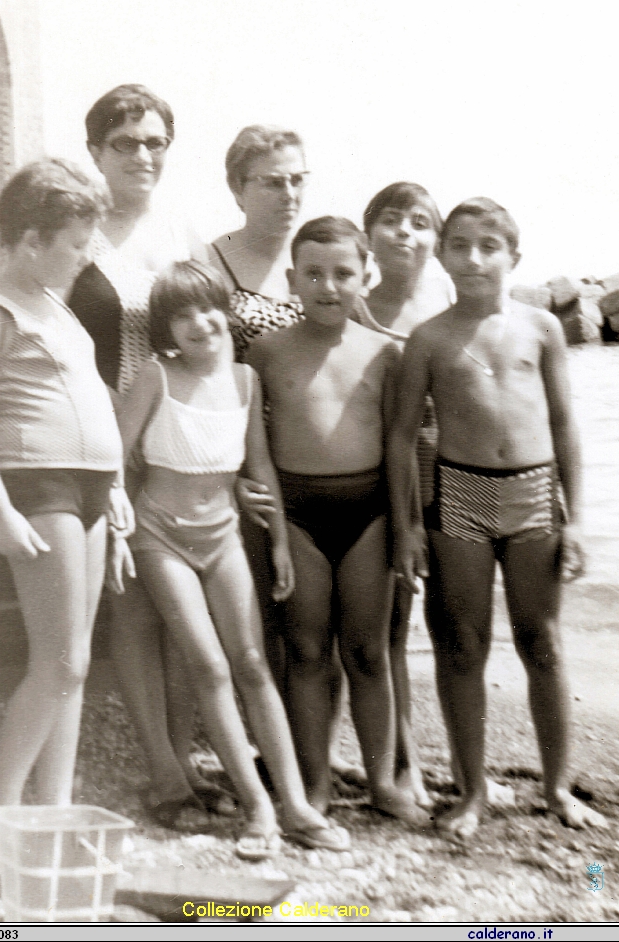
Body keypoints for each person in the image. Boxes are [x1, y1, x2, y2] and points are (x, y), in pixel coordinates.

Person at [111, 260, 350, 859]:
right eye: (181, 315)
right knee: (210, 667)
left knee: (250, 662)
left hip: (223, 534)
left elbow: (259, 465)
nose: (199, 323)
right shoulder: (155, 375)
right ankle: (259, 808)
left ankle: (294, 805)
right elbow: (116, 456)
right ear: (166, 329)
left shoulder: (245, 380)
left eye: (207, 308)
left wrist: (275, 542)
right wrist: (117, 521)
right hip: (160, 536)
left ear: (227, 311)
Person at [388, 197, 608, 838]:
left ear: (515, 255)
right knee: (463, 647)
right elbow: (402, 436)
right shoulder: (428, 339)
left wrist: (577, 517)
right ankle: (471, 793)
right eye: (460, 245)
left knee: (542, 641)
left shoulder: (542, 329)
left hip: (536, 493)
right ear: (442, 254)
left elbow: (565, 425)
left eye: (489, 245)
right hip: (460, 496)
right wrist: (407, 524)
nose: (474, 257)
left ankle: (558, 788)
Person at [0, 160, 126, 882]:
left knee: (74, 664)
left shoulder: (60, 308)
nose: (85, 256)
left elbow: (87, 398)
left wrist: (113, 487)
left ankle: (53, 814)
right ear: (28, 240)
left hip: (87, 489)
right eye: (75, 243)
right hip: (38, 486)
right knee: (58, 659)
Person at [68, 84, 230, 829]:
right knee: (133, 608)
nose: (143, 155)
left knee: (180, 608)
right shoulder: (76, 231)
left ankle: (189, 757)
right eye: (126, 142)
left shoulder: (182, 234)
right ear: (96, 149)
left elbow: (217, 334)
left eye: (155, 141)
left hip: (172, 443)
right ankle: (164, 774)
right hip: (99, 437)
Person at [209, 126, 361, 788]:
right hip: (245, 466)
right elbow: (204, 375)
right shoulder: (212, 266)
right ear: (238, 186)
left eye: (298, 179)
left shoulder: (317, 259)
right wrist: (229, 477)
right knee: (270, 624)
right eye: (272, 180)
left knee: (329, 625)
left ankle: (321, 755)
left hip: (317, 466)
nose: (289, 192)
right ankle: (278, 756)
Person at [249, 216, 414, 819]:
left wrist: (405, 529)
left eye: (343, 273)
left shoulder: (385, 355)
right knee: (307, 650)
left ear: (365, 277)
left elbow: (401, 450)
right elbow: (252, 444)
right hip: (297, 514)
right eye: (313, 273)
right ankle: (314, 786)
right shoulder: (265, 353)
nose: (328, 285)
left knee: (369, 652)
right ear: (291, 279)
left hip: (368, 514)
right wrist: (270, 530)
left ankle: (384, 784)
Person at [353, 182, 455, 809]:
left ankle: (463, 764)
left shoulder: (450, 303)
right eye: (390, 221)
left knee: (454, 621)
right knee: (391, 622)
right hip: (392, 475)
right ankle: (403, 760)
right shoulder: (355, 309)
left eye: (420, 223)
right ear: (369, 235)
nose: (405, 233)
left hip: (459, 473)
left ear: (437, 241)